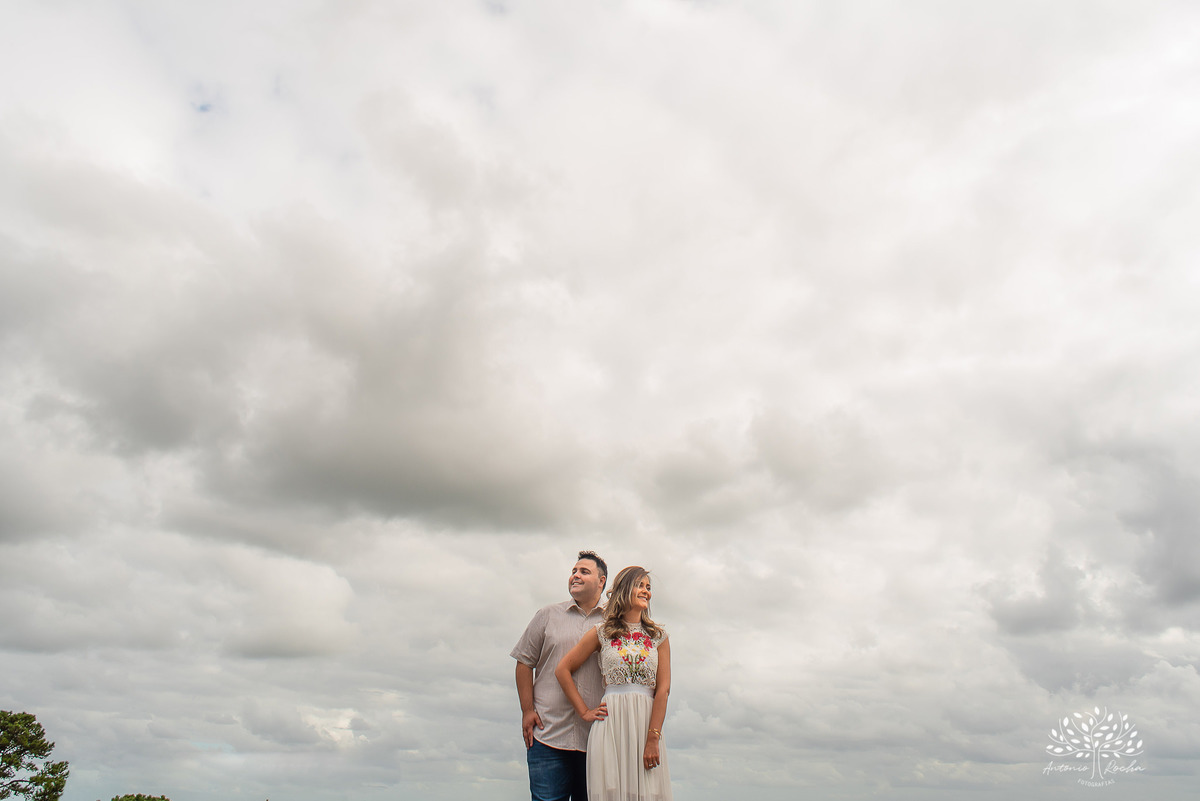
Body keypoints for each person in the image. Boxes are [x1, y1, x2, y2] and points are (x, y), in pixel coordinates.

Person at [556, 566, 672, 801]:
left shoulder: (658, 636)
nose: (646, 591)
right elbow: (562, 670)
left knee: (647, 793)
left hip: (645, 725)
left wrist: (653, 737)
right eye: (639, 585)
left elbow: (663, 690)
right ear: (624, 589)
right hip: (611, 725)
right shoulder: (602, 632)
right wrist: (584, 712)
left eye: (648, 587)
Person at [512, 551, 609, 801]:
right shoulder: (547, 615)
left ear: (601, 581)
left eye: (584, 572)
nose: (575, 575)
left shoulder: (614, 622)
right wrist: (527, 710)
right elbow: (524, 662)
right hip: (548, 735)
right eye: (574, 571)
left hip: (597, 739)